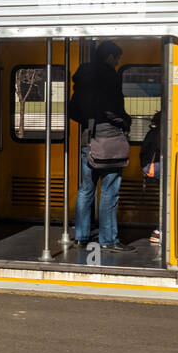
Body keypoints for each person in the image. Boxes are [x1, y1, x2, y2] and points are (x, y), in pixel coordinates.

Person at [68, 41, 132, 252]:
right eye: (117, 58)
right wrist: (124, 121)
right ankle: (108, 240)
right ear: (110, 57)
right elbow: (111, 110)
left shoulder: (82, 79)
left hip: (89, 140)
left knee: (86, 189)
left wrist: (90, 123)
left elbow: (73, 112)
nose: (117, 63)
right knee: (109, 192)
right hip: (110, 141)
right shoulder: (109, 77)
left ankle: (81, 236)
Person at [141, 111, 162, 245]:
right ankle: (159, 231)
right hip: (162, 171)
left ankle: (159, 230)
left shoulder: (151, 133)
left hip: (153, 171)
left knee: (163, 199)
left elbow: (143, 153)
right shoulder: (163, 133)